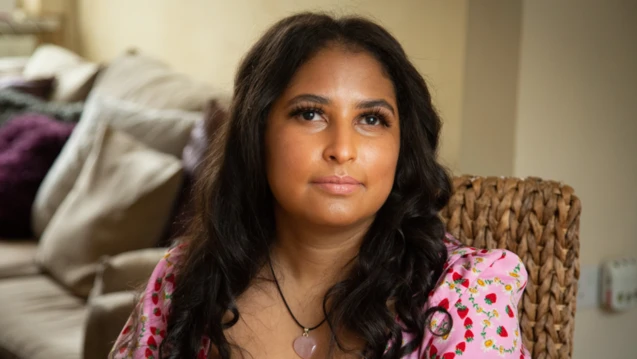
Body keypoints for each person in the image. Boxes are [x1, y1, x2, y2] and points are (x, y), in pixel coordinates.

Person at [110, 12, 530, 359]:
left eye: (371, 119)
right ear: (257, 134)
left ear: (402, 147)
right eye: (310, 114)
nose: (342, 149)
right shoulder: (185, 278)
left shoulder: (466, 293)